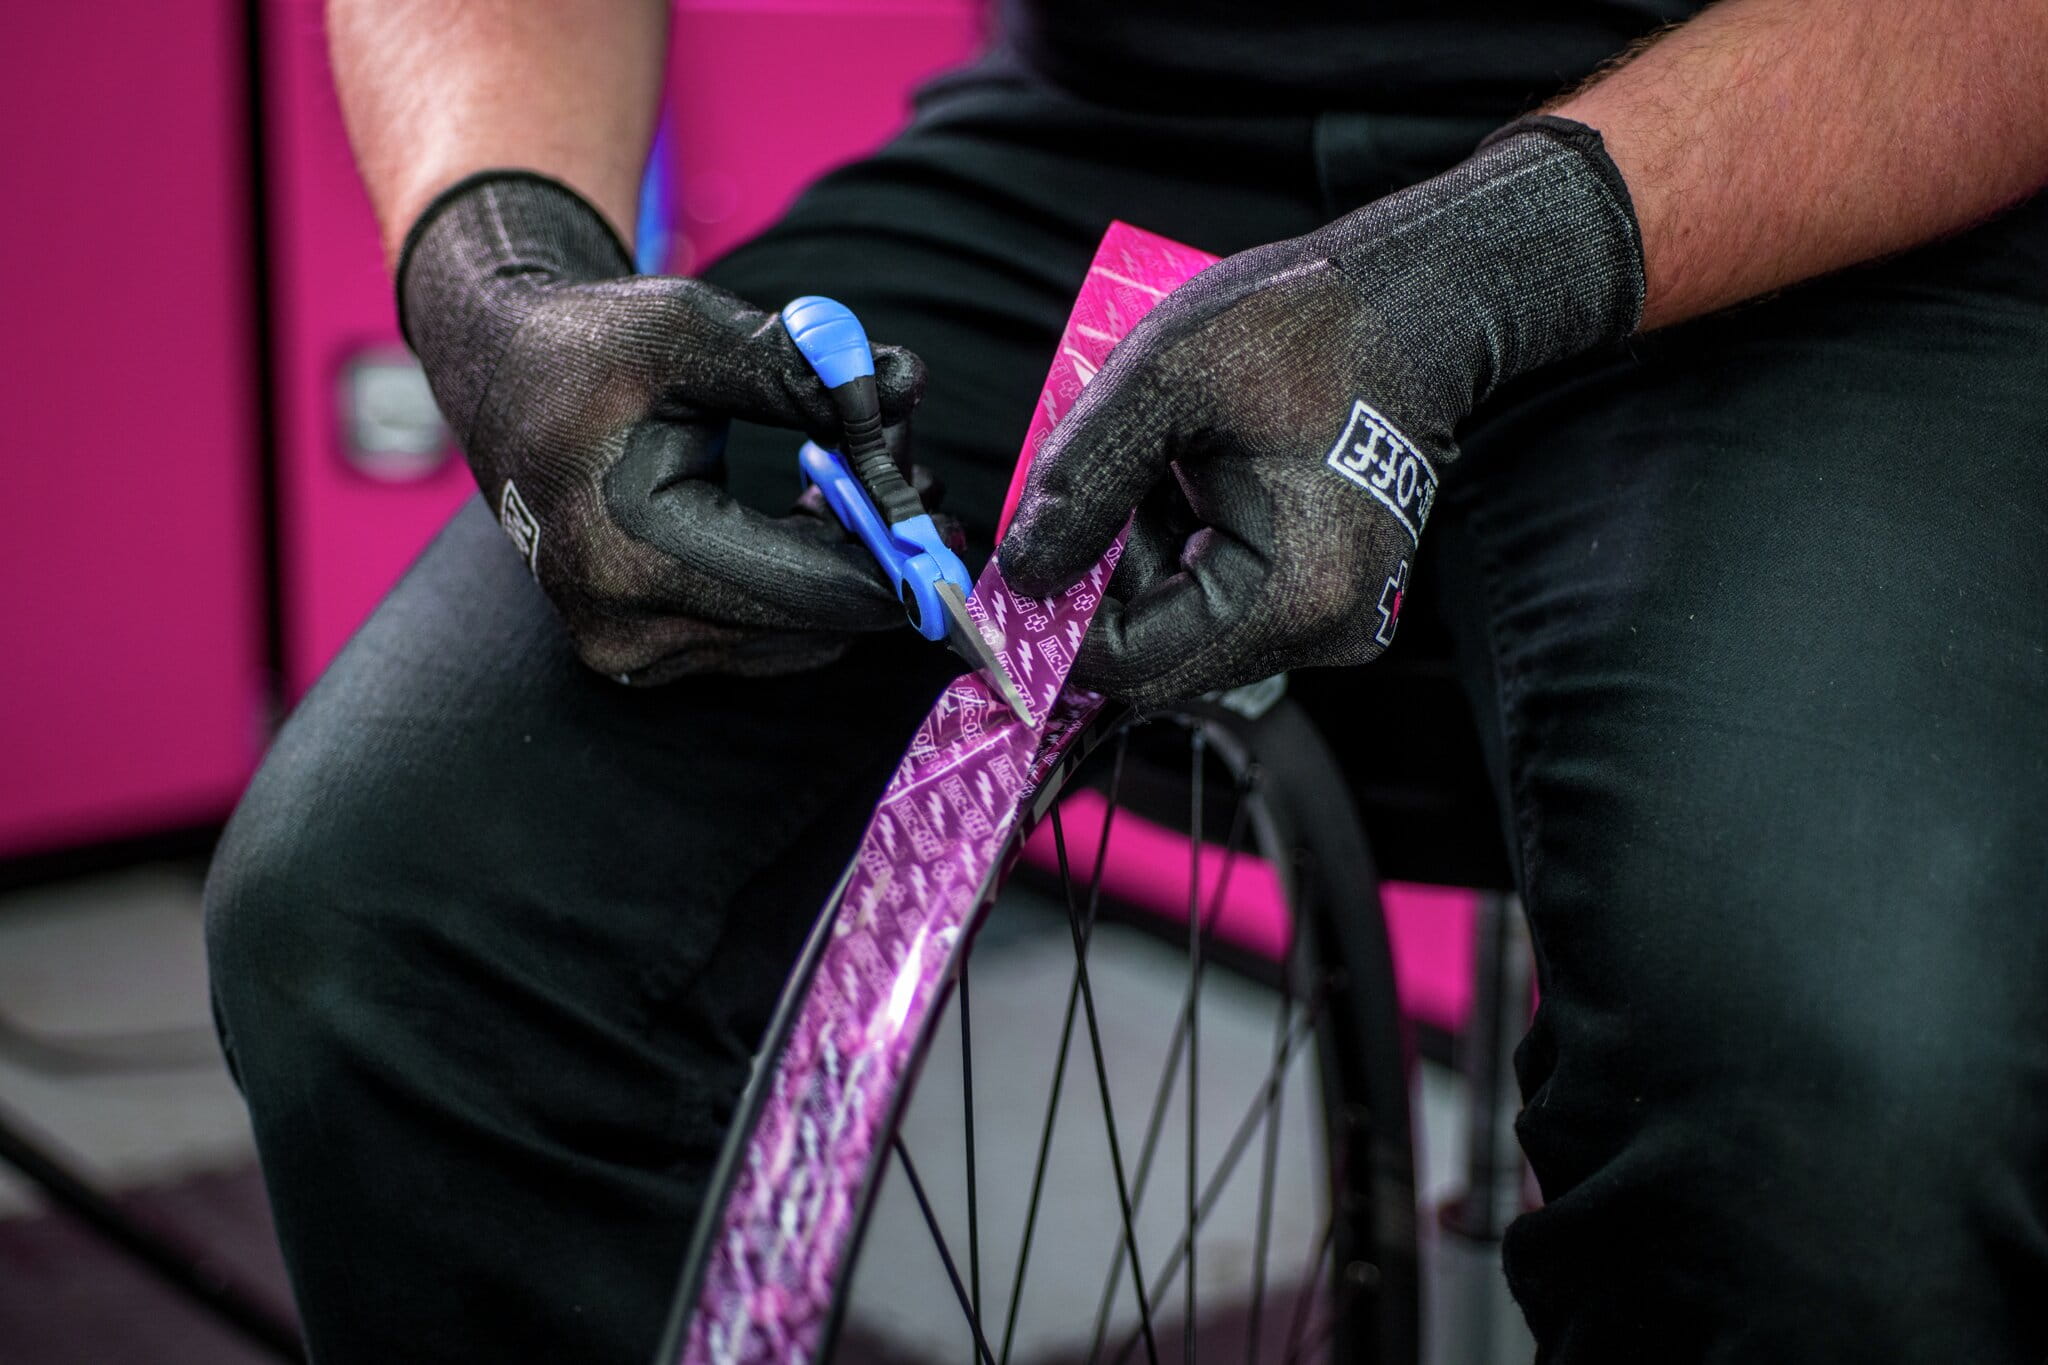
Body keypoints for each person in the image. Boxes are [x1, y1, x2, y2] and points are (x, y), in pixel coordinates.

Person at [205, 0, 2048, 1359]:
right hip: (1122, 132)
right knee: (386, 920)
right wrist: (498, 275)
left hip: (1817, 155)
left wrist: (1491, 266)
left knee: (1847, 1123)